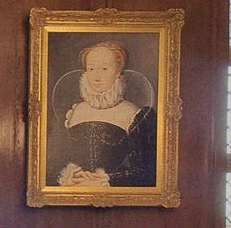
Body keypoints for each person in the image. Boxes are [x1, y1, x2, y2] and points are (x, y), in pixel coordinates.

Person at [55, 40, 157, 187]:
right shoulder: (75, 111)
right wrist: (68, 176)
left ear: (118, 72)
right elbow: (57, 159)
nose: (96, 77)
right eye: (91, 69)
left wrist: (106, 180)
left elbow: (147, 173)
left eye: (104, 69)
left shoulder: (133, 114)